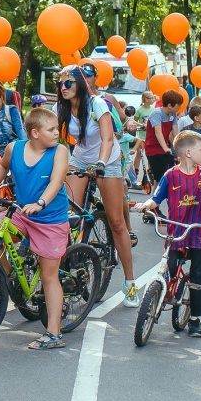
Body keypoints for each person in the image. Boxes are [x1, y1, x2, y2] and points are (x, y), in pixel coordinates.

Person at [0, 106, 74, 350]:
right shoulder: (15, 148)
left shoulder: (59, 151)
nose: (56, 134)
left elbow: (57, 180)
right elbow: (2, 166)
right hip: (22, 213)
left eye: (56, 129)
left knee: (49, 276)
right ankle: (11, 276)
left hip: (50, 219)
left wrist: (40, 203)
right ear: (34, 133)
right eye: (50, 130)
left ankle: (54, 334)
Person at [57, 67, 137, 306]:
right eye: (60, 83)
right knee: (67, 214)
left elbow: (108, 138)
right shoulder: (60, 108)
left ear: (80, 84)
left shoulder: (97, 104)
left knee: (116, 222)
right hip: (80, 157)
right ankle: (72, 264)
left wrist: (101, 163)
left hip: (107, 159)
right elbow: (55, 139)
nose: (63, 87)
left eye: (68, 83)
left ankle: (130, 284)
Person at [134, 129, 201, 337]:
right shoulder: (170, 175)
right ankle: (163, 293)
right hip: (176, 232)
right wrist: (146, 205)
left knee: (198, 277)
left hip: (198, 233)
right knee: (169, 266)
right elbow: (157, 198)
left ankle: (195, 318)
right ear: (188, 153)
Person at [142, 88, 182, 186]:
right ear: (169, 105)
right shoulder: (157, 113)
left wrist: (179, 146)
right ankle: (154, 199)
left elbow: (175, 131)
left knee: (166, 176)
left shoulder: (173, 114)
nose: (180, 107)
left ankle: (160, 198)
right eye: (178, 105)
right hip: (153, 149)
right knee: (160, 178)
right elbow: (158, 132)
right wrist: (165, 148)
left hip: (164, 148)